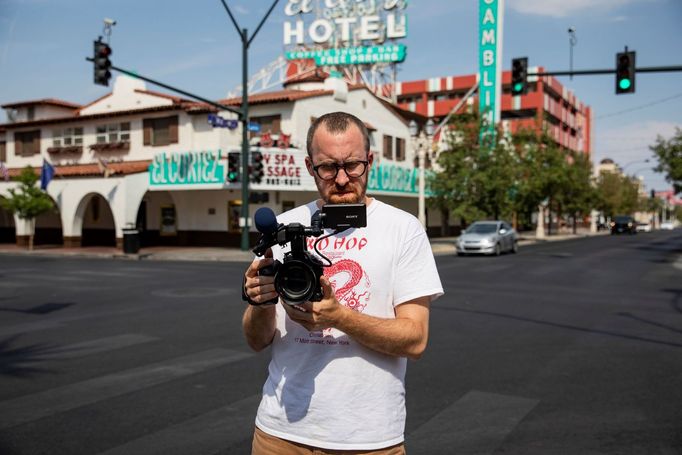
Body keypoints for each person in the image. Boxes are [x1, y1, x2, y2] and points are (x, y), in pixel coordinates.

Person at [242, 111, 444, 454]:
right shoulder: (282, 227)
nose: (340, 179)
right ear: (309, 167)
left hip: (369, 440)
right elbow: (257, 340)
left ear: (370, 160)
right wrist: (260, 303)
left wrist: (339, 317)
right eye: (327, 167)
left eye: (352, 165)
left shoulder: (403, 229)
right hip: (280, 436)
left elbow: (416, 340)